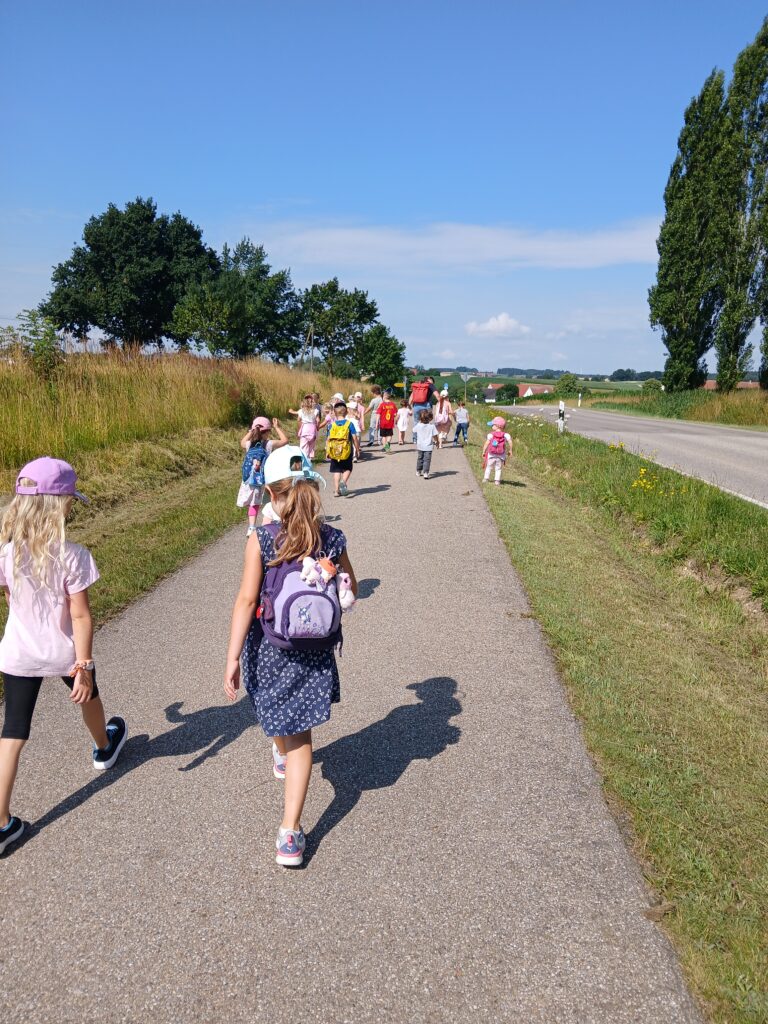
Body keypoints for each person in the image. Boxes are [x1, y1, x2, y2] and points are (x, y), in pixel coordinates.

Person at [224, 446, 358, 867]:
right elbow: (351, 587)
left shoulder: (263, 539)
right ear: (313, 488)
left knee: (275, 712)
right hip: (315, 652)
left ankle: (281, 756)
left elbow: (247, 601)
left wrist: (232, 658)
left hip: (269, 649)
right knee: (301, 736)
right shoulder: (332, 538)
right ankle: (290, 834)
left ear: (271, 494)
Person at [0, 457, 128, 855]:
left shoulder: (6, 554)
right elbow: (80, 615)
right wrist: (84, 665)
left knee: (13, 732)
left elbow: (11, 599)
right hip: (65, 653)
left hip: (18, 653)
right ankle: (104, 746)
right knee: (89, 697)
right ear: (60, 507)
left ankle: (1, 823)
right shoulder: (74, 556)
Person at [239, 417, 289, 534]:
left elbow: (241, 442)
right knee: (270, 501)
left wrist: (251, 431)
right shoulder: (269, 444)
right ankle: (269, 524)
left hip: (250, 480)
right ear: (267, 432)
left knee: (253, 504)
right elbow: (285, 440)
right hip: (265, 480)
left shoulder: (248, 444)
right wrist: (276, 427)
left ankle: (252, 527)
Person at [327, 401, 360, 496]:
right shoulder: (349, 424)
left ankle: (336, 491)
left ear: (335, 413)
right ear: (346, 413)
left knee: (336, 470)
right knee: (348, 468)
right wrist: (357, 449)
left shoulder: (331, 425)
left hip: (334, 451)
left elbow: (328, 439)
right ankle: (343, 481)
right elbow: (355, 438)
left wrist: (327, 451)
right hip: (347, 451)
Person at [288, 394, 321, 461]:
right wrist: (317, 427)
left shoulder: (301, 411)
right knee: (311, 445)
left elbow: (298, 420)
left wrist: (299, 429)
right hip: (312, 429)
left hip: (304, 429)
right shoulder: (315, 411)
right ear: (312, 403)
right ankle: (310, 458)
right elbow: (318, 420)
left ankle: (304, 459)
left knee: (303, 445)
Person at [482, 416, 512, 486]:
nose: (491, 426)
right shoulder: (506, 435)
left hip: (491, 454)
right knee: (498, 468)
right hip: (501, 455)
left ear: (497, 426)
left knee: (489, 466)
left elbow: (486, 443)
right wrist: (510, 450)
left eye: (493, 425)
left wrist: (483, 451)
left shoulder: (490, 434)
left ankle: (485, 478)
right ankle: (497, 481)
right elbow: (510, 442)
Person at [408, 376, 439, 443]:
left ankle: (415, 439)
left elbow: (412, 396)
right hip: (426, 405)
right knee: (427, 422)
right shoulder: (430, 385)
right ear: (429, 380)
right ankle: (427, 438)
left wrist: (409, 406)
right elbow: (437, 395)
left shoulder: (418, 385)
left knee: (416, 422)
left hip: (416, 405)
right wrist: (441, 404)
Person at [414, 409, 438, 479]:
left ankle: (418, 471)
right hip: (428, 447)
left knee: (420, 459)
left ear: (420, 419)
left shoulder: (418, 425)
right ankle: (425, 473)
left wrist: (419, 422)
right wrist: (437, 442)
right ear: (429, 418)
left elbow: (413, 430)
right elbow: (435, 436)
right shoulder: (432, 426)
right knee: (427, 460)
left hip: (420, 446)